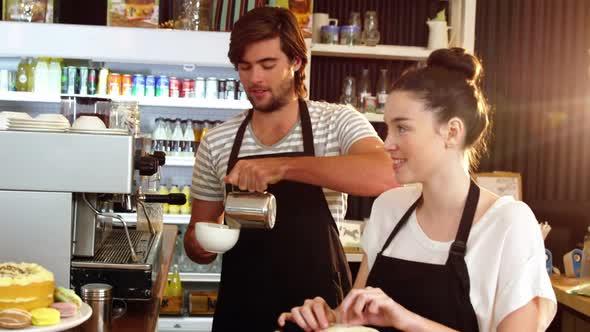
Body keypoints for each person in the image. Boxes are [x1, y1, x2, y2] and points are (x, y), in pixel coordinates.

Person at [278, 48, 557, 331]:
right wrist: (328, 316)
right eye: (388, 128)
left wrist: (406, 320)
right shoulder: (389, 207)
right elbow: (355, 316)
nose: (387, 143)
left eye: (402, 128)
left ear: (452, 132)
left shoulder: (508, 223)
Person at [184, 6, 397, 331]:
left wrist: (282, 166)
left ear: (296, 62)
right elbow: (198, 236)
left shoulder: (336, 121)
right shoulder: (218, 140)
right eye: (245, 67)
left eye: (268, 65)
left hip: (318, 313)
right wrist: (199, 245)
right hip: (241, 311)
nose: (255, 78)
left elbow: (387, 174)